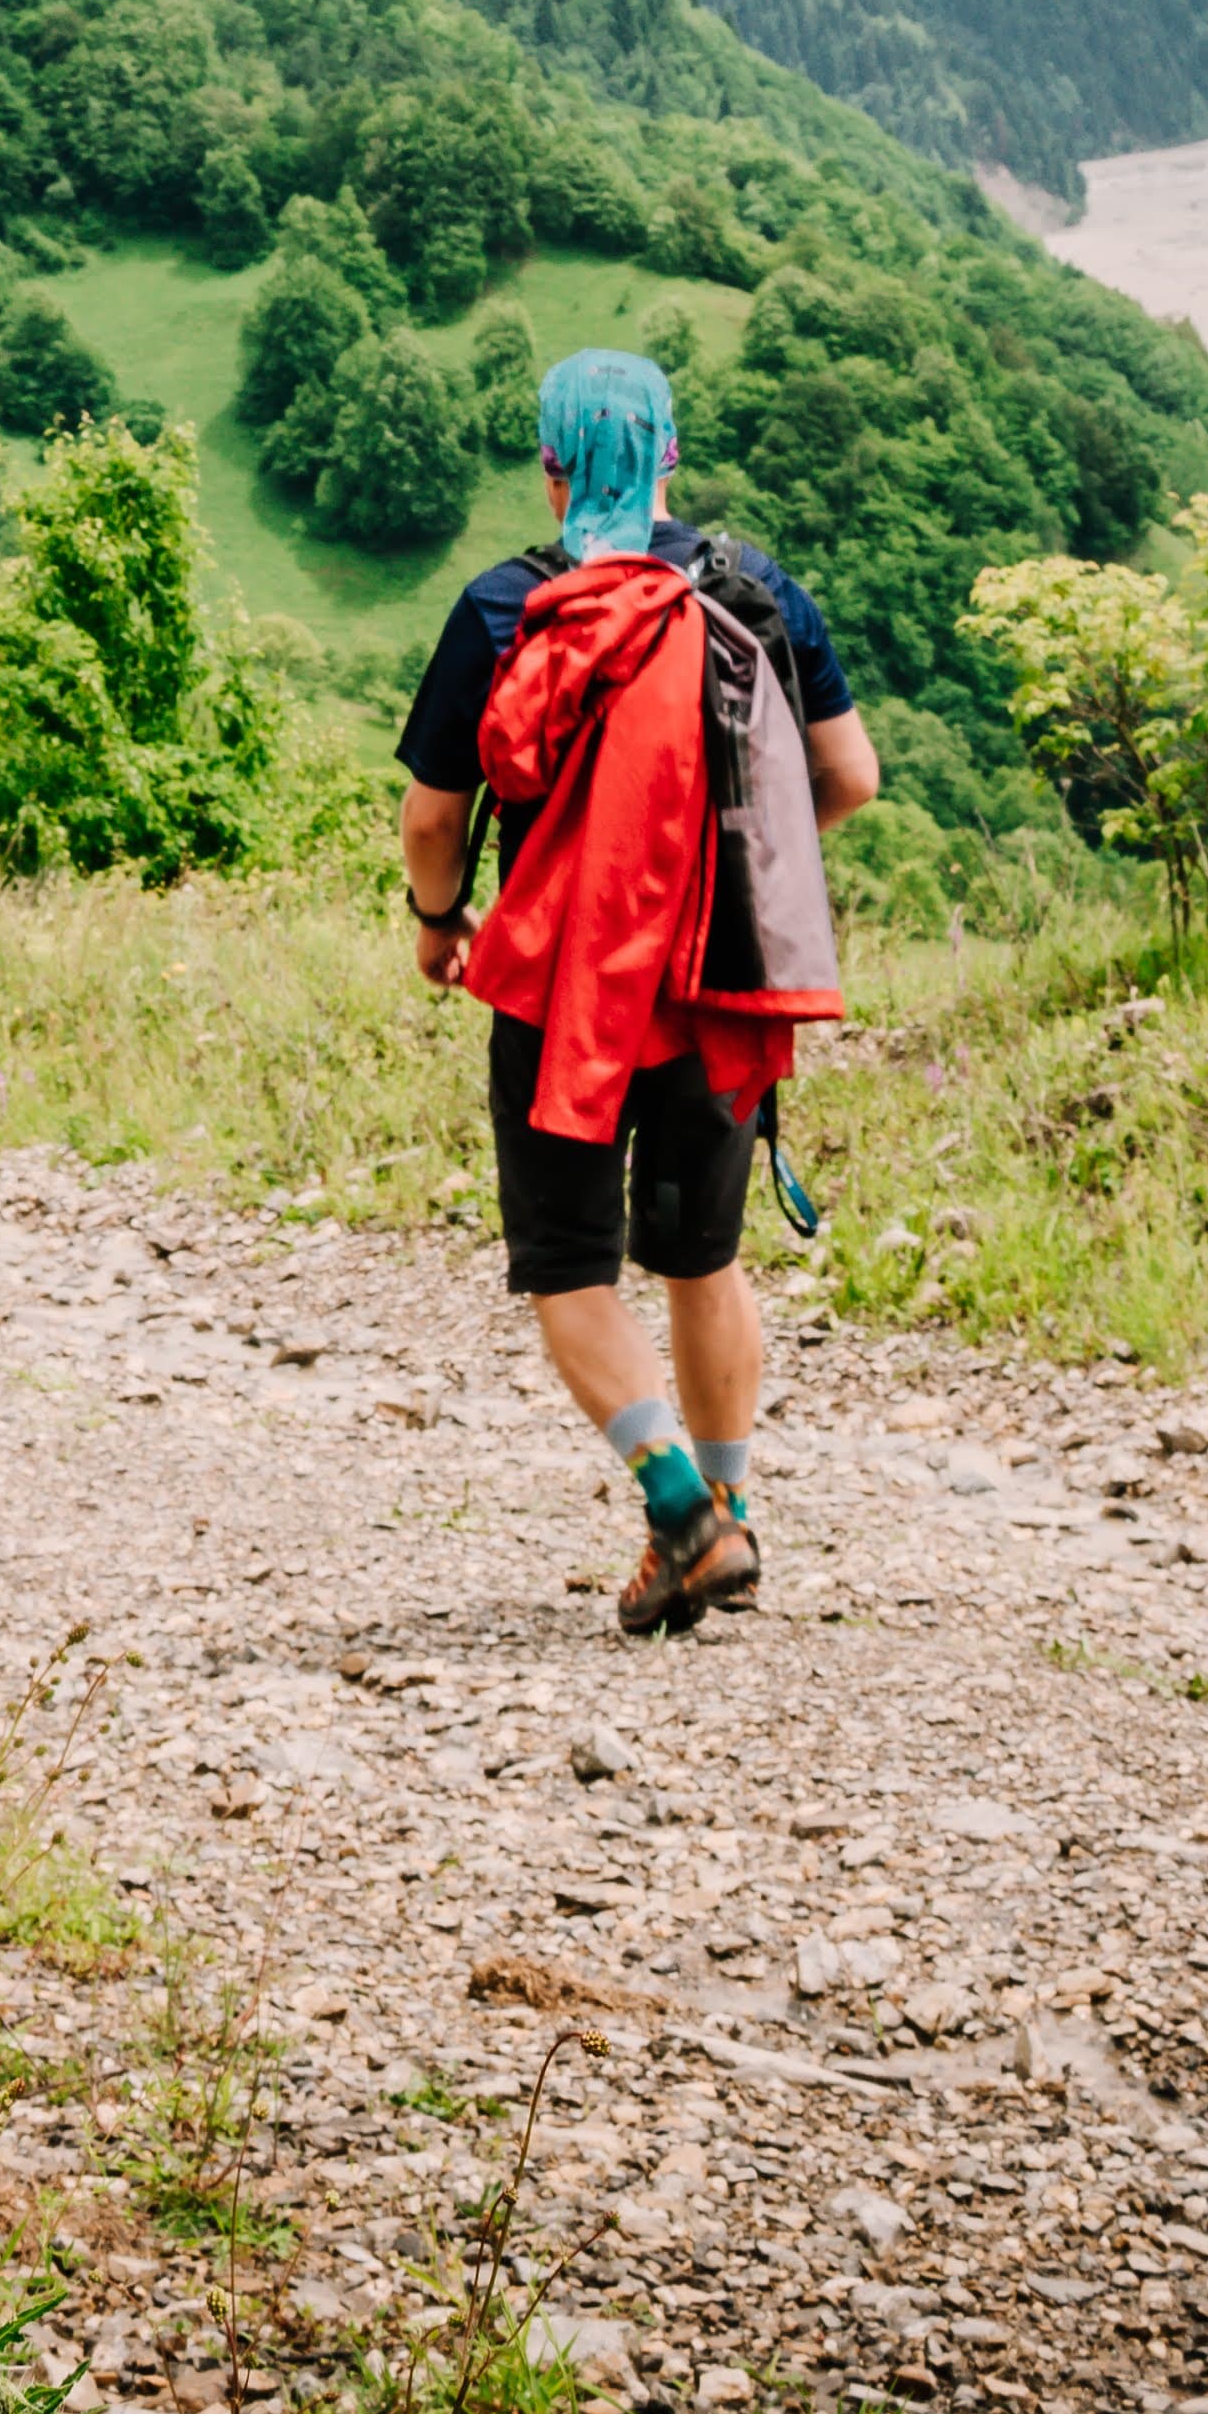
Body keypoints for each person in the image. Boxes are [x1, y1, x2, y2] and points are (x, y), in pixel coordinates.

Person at [397, 350, 878, 1638]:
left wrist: (439, 925)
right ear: (669, 451)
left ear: (549, 468)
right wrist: (735, 871)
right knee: (700, 1256)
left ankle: (682, 1515)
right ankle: (726, 1519)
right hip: (718, 981)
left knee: (567, 1263)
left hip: (562, 991)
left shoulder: (505, 607)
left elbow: (434, 816)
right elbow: (848, 775)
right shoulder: (752, 590)